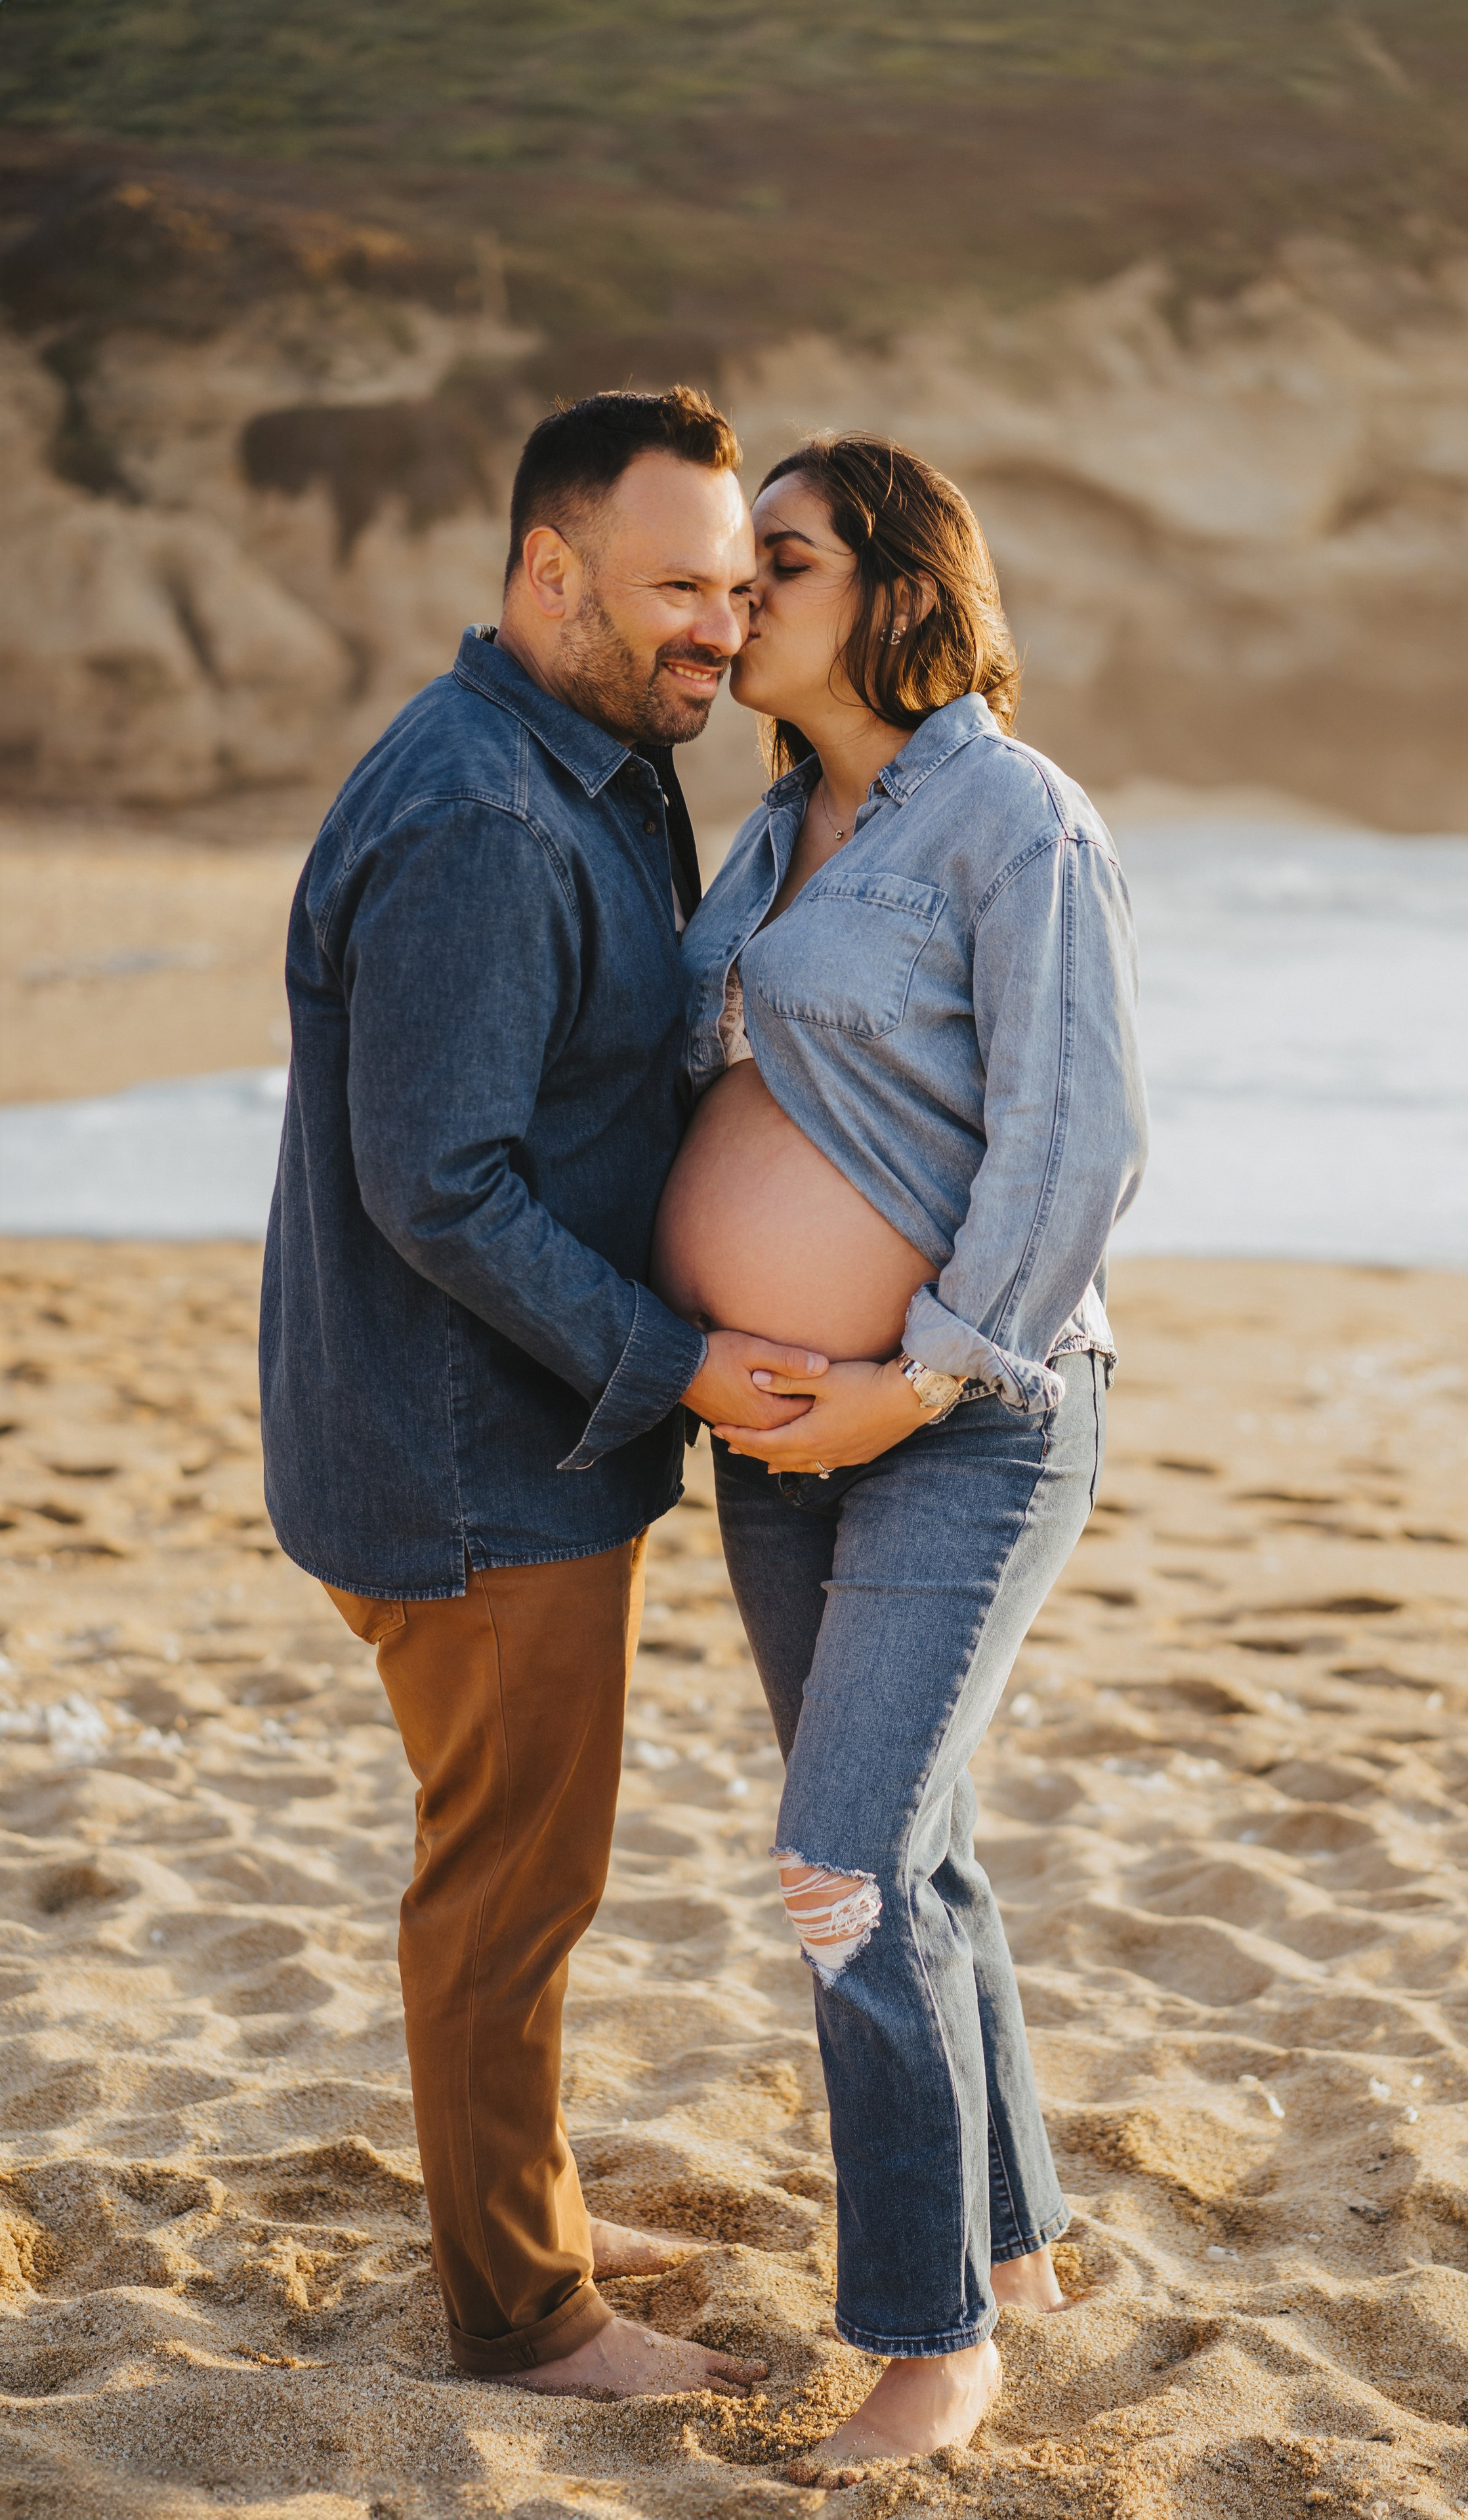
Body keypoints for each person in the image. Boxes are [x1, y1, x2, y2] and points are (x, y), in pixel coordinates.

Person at [259, 387, 829, 2401]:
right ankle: (525, 2312)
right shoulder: (487, 821)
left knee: (526, 1868)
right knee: (509, 1889)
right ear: (547, 569)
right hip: (469, 1464)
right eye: (677, 584)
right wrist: (677, 1354)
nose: (716, 626)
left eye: (742, 587)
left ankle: (535, 2208)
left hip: (498, 1445)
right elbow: (441, 1183)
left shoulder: (587, 758)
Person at [652, 434, 1148, 2481]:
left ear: (898, 589)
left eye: (779, 559)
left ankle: (933, 2339)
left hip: (974, 1420)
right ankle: (1014, 2246)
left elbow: (1079, 1138)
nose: (737, 596)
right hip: (782, 1440)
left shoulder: (1011, 819)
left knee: (841, 1863)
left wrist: (917, 1375)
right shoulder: (769, 836)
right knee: (914, 1848)